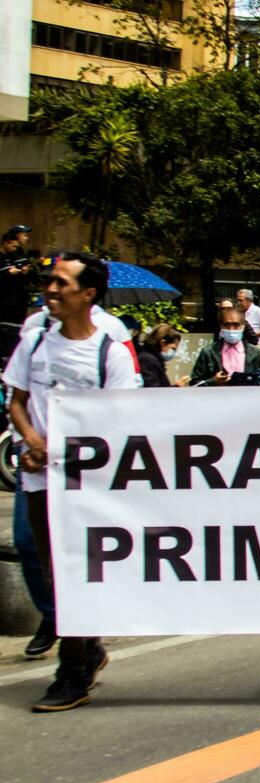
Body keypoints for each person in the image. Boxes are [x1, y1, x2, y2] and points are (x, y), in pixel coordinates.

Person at [5, 252, 140, 711]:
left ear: (89, 294)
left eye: (62, 283)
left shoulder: (111, 353)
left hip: (89, 487)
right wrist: (30, 440)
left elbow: (125, 421)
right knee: (49, 568)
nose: (51, 290)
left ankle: (73, 670)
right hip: (42, 481)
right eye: (50, 282)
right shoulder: (34, 342)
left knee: (74, 573)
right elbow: (18, 401)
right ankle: (88, 647)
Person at [190, 304, 260, 385]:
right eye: (227, 325)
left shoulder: (255, 353)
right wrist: (213, 381)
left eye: (236, 325)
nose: (231, 329)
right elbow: (194, 383)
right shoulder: (208, 353)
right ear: (221, 326)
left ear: (243, 326)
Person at [0, 226, 36, 362]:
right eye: (24, 235)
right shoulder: (5, 256)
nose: (26, 238)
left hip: (16, 298)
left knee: (14, 329)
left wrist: (24, 272)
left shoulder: (16, 255)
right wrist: (8, 273)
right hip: (5, 300)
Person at [137, 323, 184, 388]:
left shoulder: (153, 359)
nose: (173, 352)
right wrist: (176, 386)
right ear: (163, 343)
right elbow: (153, 389)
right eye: (172, 348)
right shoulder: (147, 360)